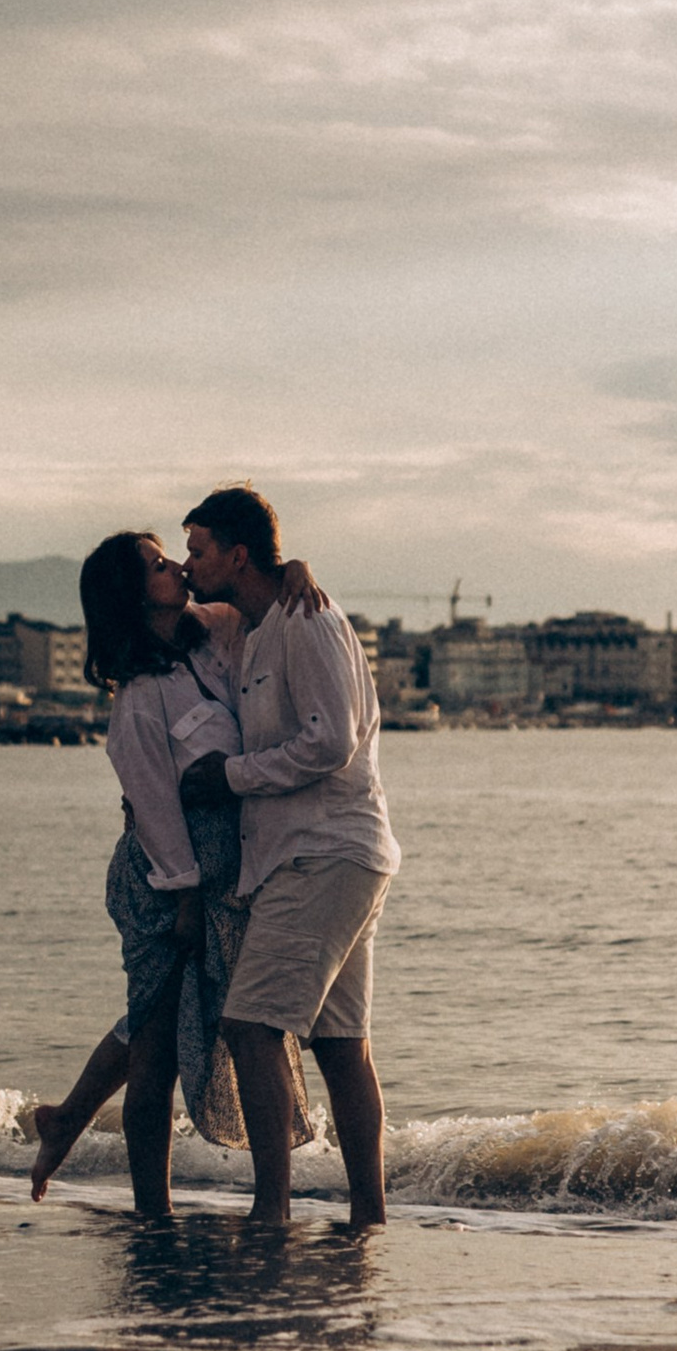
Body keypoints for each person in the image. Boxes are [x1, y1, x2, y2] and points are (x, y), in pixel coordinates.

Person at [26, 531, 309, 1215]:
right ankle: (152, 1212)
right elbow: (153, 808)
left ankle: (64, 1118)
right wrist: (183, 901)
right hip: (162, 882)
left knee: (164, 1020)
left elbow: (253, 607)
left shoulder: (205, 637)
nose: (178, 566)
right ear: (133, 593)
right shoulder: (138, 702)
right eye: (158, 565)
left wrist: (290, 568)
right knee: (155, 1048)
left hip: (218, 878)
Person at [182, 484, 398, 1230]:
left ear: (238, 553)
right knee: (340, 1043)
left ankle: (270, 1210)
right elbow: (185, 616)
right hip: (327, 853)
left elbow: (330, 741)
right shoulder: (254, 624)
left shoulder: (309, 620)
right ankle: (367, 1215)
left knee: (251, 1025)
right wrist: (293, 564)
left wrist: (232, 776)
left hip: (326, 850)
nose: (186, 566)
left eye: (198, 551)